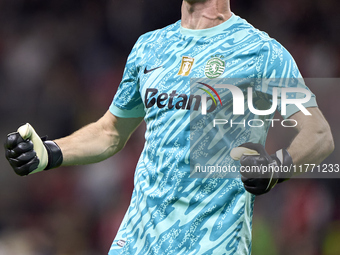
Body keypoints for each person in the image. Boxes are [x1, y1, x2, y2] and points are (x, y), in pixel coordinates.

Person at [4, 0, 334, 254]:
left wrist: (275, 167)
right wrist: (50, 152)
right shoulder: (149, 47)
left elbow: (318, 134)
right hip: (135, 243)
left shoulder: (262, 53)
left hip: (211, 245)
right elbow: (110, 132)